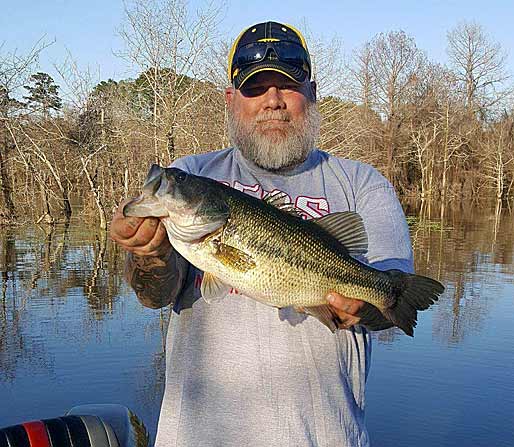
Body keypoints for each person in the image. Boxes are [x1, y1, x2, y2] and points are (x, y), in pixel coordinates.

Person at [110, 21, 415, 447]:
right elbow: (155, 296)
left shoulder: (363, 184)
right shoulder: (196, 173)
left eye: (288, 85)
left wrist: (363, 308)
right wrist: (149, 253)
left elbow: (391, 309)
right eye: (255, 89)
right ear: (232, 101)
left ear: (312, 93)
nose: (273, 101)